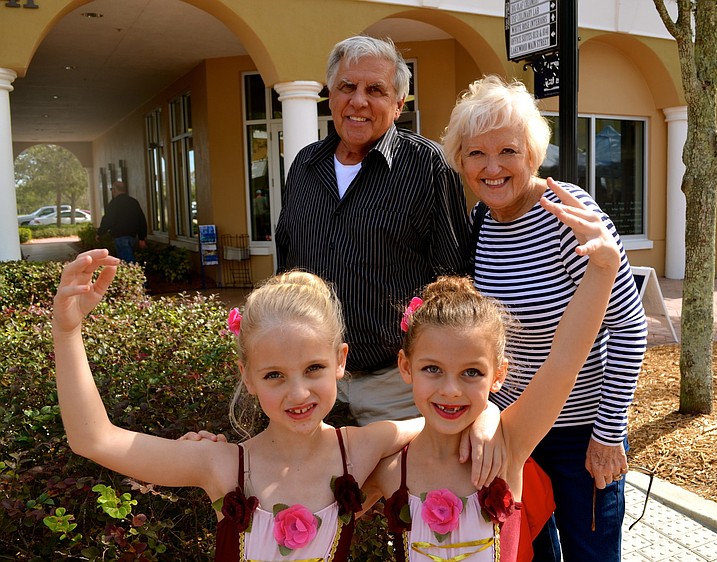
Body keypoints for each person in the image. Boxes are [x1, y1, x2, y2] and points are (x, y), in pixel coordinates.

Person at [52, 252, 503, 562]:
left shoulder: (363, 448)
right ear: (247, 375)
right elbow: (94, 439)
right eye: (274, 376)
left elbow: (438, 417)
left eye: (312, 369)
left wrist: (488, 415)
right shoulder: (223, 466)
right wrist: (68, 332)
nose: (298, 394)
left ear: (340, 361)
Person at [441, 75, 648, 561]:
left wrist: (608, 433)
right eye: (476, 154)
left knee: (588, 554)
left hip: (580, 435)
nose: (492, 168)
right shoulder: (480, 224)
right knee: (527, 551)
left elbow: (629, 327)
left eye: (507, 151)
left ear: (532, 153)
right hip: (513, 431)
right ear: (461, 160)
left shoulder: (569, 215)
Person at [365, 183, 621, 561]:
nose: (451, 390)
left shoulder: (510, 447)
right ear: (406, 366)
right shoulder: (389, 470)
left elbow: (564, 363)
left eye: (471, 373)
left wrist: (602, 268)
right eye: (432, 369)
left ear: (499, 375)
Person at [274, 35, 471, 426]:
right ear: (330, 95)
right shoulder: (304, 166)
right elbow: (288, 267)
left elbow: (452, 282)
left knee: (399, 487)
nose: (358, 101)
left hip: (394, 387)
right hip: (313, 382)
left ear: (398, 105)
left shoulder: (428, 167)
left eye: (376, 90)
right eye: (347, 86)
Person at [97, 180, 148, 263]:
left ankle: (134, 274)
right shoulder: (133, 202)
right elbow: (141, 220)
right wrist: (141, 238)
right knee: (128, 258)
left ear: (114, 190)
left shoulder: (114, 203)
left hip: (120, 236)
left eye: (112, 189)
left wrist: (100, 232)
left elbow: (108, 219)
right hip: (132, 236)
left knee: (127, 262)